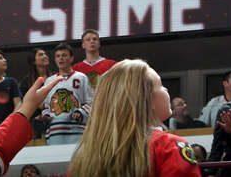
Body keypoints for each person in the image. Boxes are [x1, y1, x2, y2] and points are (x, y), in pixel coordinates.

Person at [69, 59, 202, 176]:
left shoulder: (84, 157)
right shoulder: (168, 147)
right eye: (160, 85)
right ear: (146, 98)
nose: (166, 89)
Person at [42, 43, 93, 145]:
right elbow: (46, 107)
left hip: (77, 132)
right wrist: (46, 116)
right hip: (55, 133)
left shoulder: (81, 77)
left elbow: (91, 102)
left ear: (71, 58)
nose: (61, 58)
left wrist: (80, 113)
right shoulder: (49, 81)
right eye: (58, 56)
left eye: (64, 55)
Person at [19, 48, 53, 139]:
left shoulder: (55, 78)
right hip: (34, 124)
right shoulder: (26, 82)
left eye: (45, 54)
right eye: (41, 54)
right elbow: (24, 104)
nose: (45, 56)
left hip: (54, 121)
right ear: (33, 61)